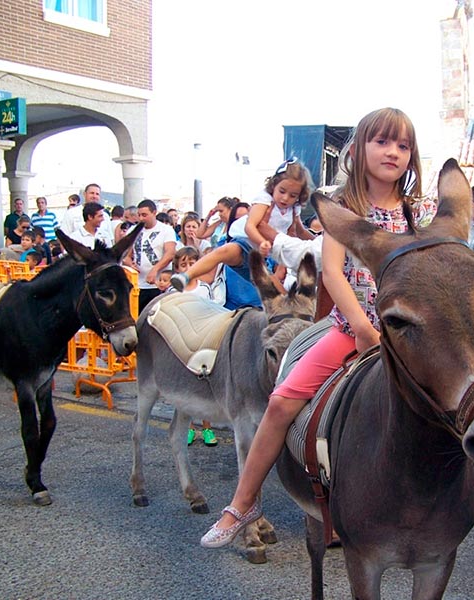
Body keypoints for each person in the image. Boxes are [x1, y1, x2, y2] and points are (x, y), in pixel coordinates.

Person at [198, 107, 435, 549]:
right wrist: (363, 329)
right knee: (280, 403)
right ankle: (243, 502)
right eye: (382, 142)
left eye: (403, 145)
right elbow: (332, 273)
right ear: (359, 148)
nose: (394, 152)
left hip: (408, 334)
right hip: (350, 330)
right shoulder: (342, 208)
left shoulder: (417, 212)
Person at [169, 159, 313, 295]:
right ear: (274, 185)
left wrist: (318, 240)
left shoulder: (294, 209)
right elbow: (250, 226)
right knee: (223, 251)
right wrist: (262, 241)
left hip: (261, 258)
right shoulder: (265, 200)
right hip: (245, 244)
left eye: (293, 195)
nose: (285, 198)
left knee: (277, 293)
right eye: (282, 191)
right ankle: (186, 276)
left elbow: (299, 231)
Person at [169, 246, 219, 447]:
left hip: (202, 342)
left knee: (205, 386)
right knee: (185, 388)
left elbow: (212, 311)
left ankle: (207, 428)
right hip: (182, 344)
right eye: (184, 264)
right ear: (177, 267)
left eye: (192, 263)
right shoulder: (173, 290)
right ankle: (188, 428)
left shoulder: (204, 288)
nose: (188, 267)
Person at [124, 199, 176, 313]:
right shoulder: (133, 230)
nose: (141, 218)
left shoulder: (166, 230)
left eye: (144, 215)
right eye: (139, 215)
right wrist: (129, 263)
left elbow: (170, 253)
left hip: (158, 285)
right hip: (137, 285)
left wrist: (155, 269)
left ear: (154, 213)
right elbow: (126, 255)